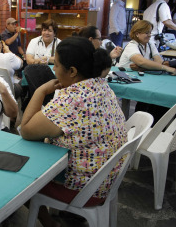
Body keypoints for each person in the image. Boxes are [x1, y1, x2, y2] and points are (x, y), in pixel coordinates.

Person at [20, 37, 127, 227]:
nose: (54, 70)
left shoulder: (71, 100)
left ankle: (50, 223)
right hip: (108, 179)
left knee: (20, 181)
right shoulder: (102, 85)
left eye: (57, 65)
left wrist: (40, 92)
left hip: (86, 190)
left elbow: (26, 130)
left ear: (72, 71)